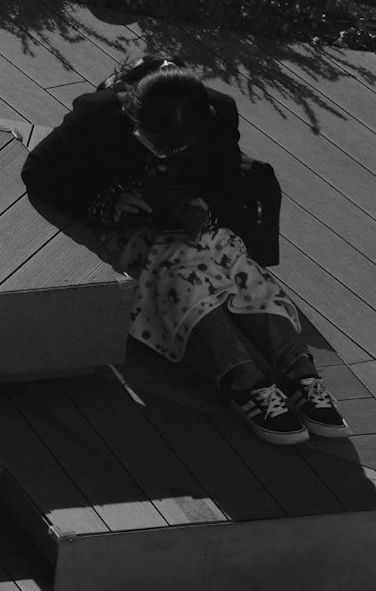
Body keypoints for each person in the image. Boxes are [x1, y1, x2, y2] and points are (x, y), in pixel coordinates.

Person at [24, 57, 342, 446]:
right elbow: (39, 173)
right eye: (151, 142)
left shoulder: (218, 113)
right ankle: (243, 376)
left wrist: (201, 206)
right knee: (181, 265)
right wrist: (106, 201)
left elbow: (223, 182)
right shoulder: (99, 114)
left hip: (185, 222)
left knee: (230, 256)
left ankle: (298, 370)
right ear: (131, 111)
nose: (162, 154)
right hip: (126, 226)